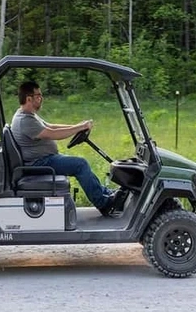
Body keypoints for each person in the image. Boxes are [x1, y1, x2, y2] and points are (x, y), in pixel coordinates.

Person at [10, 80, 123, 217]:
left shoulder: (28, 115)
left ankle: (105, 193)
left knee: (80, 163)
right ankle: (103, 203)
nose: (42, 98)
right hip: (39, 163)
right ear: (29, 98)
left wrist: (76, 126)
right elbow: (53, 134)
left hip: (44, 160)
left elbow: (51, 126)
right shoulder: (25, 120)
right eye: (38, 95)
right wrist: (80, 127)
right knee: (80, 164)